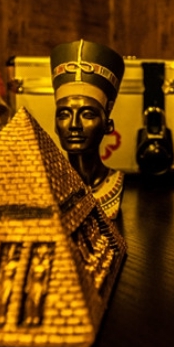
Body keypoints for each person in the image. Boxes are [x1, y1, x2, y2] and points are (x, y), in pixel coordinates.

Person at [50, 40, 126, 219]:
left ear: (108, 125)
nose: (74, 124)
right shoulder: (48, 186)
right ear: (55, 126)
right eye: (64, 114)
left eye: (88, 114)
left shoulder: (117, 182)